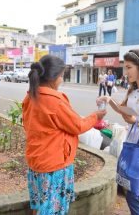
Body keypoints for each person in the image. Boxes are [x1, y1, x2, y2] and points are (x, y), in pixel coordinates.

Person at [22, 55, 106, 215]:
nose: (61, 80)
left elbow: (28, 125)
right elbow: (78, 126)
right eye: (61, 76)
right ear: (53, 77)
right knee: (52, 210)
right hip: (54, 164)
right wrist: (96, 116)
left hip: (36, 161)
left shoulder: (31, 96)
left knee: (39, 205)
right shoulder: (55, 100)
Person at [97, 49, 139, 215]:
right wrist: (108, 100)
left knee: (134, 194)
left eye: (129, 67)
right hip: (132, 144)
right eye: (125, 67)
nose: (125, 72)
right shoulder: (133, 90)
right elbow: (123, 110)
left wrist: (137, 121)